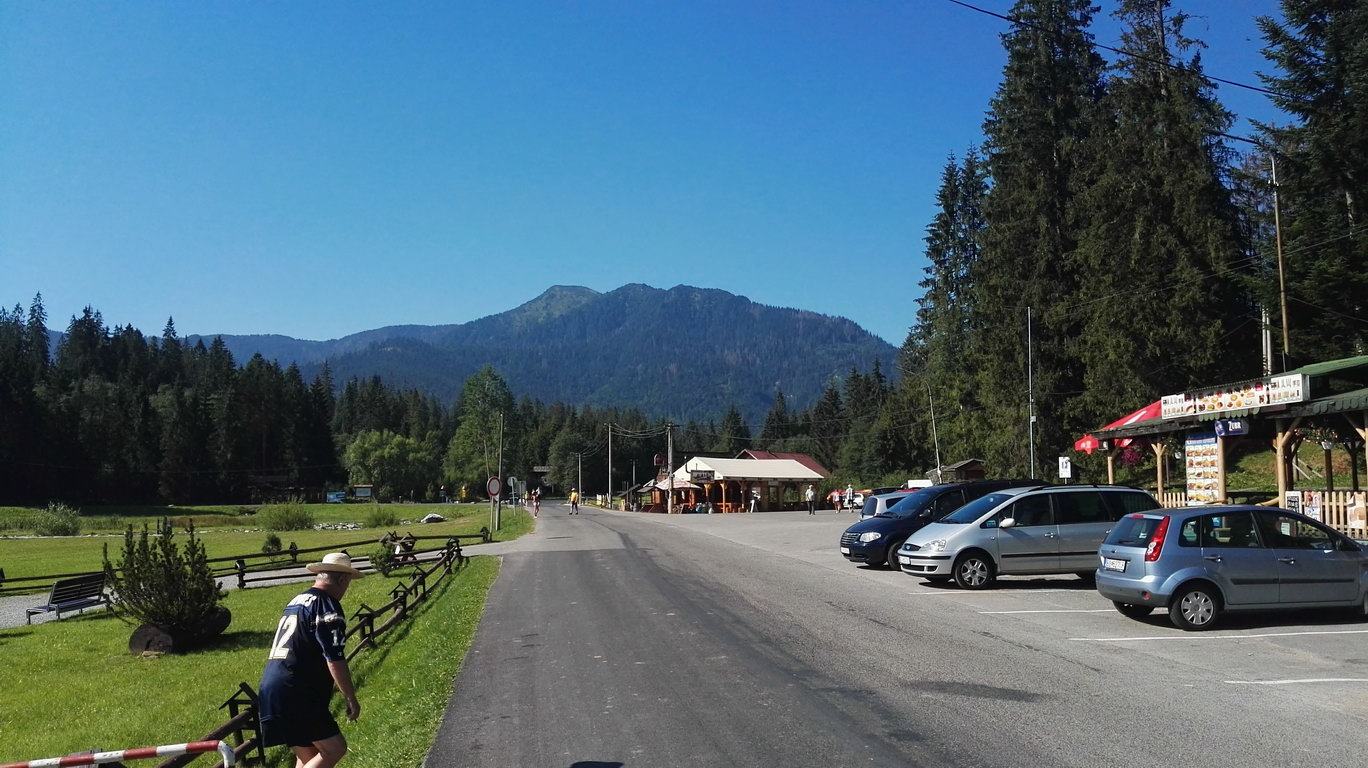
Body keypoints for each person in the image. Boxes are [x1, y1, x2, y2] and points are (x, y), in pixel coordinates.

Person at [258, 552, 365, 768]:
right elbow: (334, 657)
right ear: (342, 579)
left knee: (309, 756)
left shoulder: (296, 601)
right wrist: (350, 698)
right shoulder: (327, 606)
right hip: (297, 691)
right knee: (334, 748)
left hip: (272, 689)